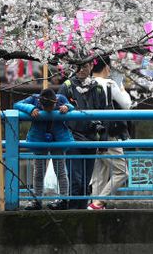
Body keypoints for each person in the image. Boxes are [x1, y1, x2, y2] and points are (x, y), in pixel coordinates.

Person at [59, 58, 108, 209]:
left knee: (86, 179)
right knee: (75, 178)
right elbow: (58, 108)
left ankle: (82, 210)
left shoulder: (97, 88)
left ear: (91, 66)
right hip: (72, 137)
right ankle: (74, 211)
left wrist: (103, 139)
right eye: (78, 67)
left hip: (92, 137)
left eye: (85, 66)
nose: (81, 70)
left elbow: (104, 113)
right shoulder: (67, 86)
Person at [14, 88, 73, 210]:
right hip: (39, 139)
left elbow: (71, 106)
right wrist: (30, 109)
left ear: (55, 101)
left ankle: (64, 199)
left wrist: (67, 107)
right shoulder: (34, 99)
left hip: (57, 139)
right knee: (38, 172)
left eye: (51, 107)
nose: (48, 109)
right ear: (40, 103)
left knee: (60, 171)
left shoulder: (61, 98)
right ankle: (37, 200)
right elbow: (17, 104)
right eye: (45, 107)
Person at [88, 55, 132, 210]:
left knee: (100, 174)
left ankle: (94, 209)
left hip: (92, 133)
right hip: (108, 135)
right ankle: (98, 203)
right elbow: (126, 104)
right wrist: (122, 89)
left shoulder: (87, 83)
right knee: (122, 172)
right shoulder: (109, 83)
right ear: (107, 67)